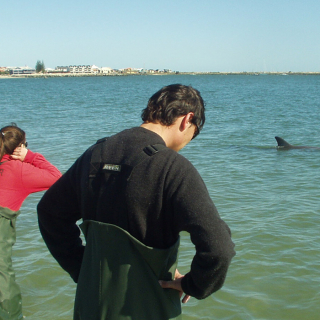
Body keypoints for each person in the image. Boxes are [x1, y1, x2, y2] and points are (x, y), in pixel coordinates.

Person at [37, 84, 235, 320]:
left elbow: (49, 212)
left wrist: (81, 267)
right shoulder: (173, 167)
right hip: (146, 308)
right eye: (195, 131)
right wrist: (193, 284)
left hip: (90, 306)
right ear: (187, 119)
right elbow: (219, 248)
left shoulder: (95, 153)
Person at [0, 124, 62, 320]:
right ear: (19, 147)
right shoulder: (17, 170)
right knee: (2, 273)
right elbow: (57, 178)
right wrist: (30, 156)